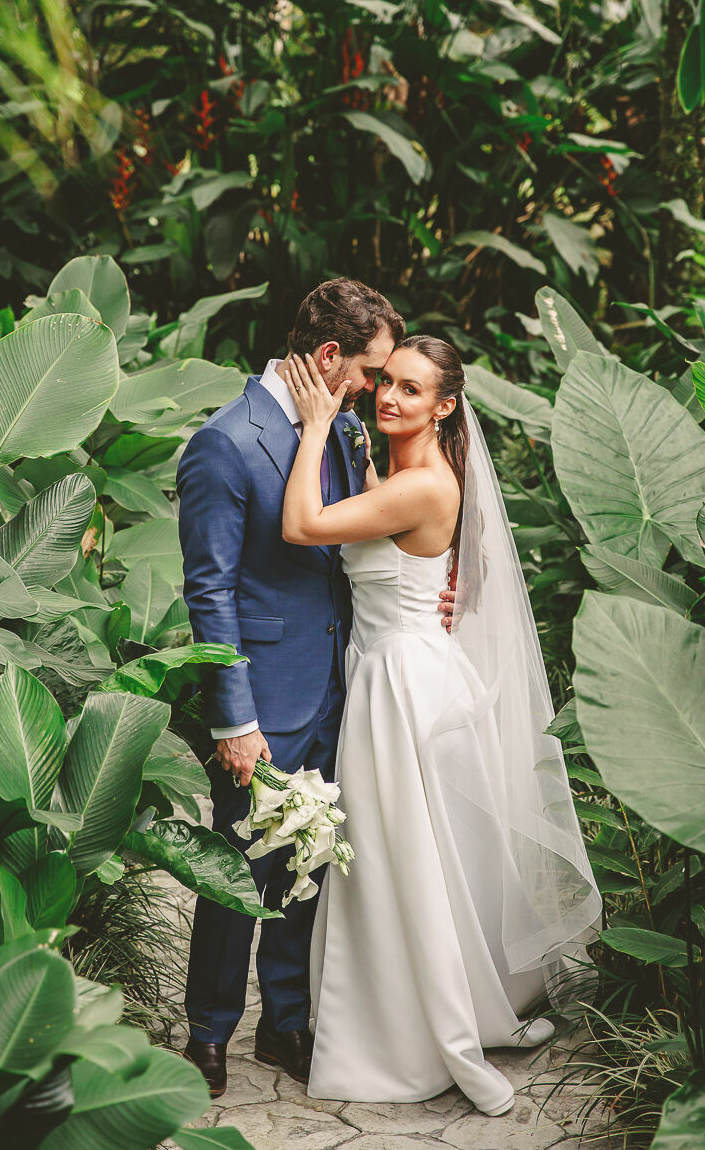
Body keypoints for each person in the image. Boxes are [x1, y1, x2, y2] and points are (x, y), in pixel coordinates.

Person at [281, 336, 602, 1116]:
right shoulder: (403, 475)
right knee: (417, 858)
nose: (389, 398)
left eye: (411, 391)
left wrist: (322, 418)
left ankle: (407, 1033)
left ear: (446, 405)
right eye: (385, 383)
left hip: (400, 684)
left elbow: (301, 526)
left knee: (400, 863)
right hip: (399, 666)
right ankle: (417, 1001)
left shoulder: (422, 485)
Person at [175, 278, 404, 1098]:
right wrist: (232, 718)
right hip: (262, 699)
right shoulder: (224, 444)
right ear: (330, 357)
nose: (375, 392)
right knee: (236, 870)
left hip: (338, 685)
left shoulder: (338, 431)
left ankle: (285, 1023)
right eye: (371, 372)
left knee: (304, 861)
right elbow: (211, 591)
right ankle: (207, 1033)